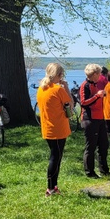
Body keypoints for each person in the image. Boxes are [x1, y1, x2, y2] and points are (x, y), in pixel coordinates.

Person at [37, 63, 74, 197]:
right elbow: (71, 104)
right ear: (58, 75)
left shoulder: (42, 88)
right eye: (61, 75)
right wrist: (66, 87)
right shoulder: (58, 90)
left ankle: (54, 186)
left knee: (56, 156)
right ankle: (50, 188)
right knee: (55, 158)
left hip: (47, 127)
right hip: (58, 128)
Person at [79, 64, 110, 179]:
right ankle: (90, 172)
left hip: (100, 118)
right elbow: (83, 102)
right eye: (99, 73)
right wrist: (97, 96)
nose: (101, 76)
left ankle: (104, 170)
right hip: (89, 119)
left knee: (104, 145)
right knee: (91, 146)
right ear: (94, 74)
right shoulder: (85, 85)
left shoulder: (97, 84)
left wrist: (102, 95)